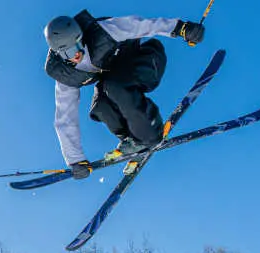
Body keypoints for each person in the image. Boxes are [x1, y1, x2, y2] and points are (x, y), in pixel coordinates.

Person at [45, 11, 205, 179]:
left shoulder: (102, 31)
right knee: (101, 108)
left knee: (116, 86)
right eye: (68, 53)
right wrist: (75, 160)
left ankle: (149, 135)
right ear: (58, 53)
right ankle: (134, 140)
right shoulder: (65, 74)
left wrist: (181, 28)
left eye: (78, 45)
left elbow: (140, 24)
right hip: (113, 82)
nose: (76, 54)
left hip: (146, 61)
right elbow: (65, 117)